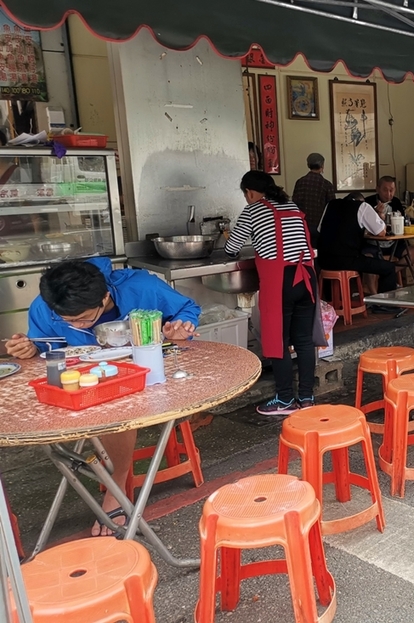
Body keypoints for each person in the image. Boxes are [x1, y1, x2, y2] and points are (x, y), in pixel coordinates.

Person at [4, 258, 201, 536]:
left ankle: (117, 485)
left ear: (105, 297)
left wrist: (181, 327)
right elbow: (45, 349)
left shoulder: (142, 288)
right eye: (68, 321)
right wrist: (29, 350)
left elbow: (187, 309)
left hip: (145, 371)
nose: (77, 325)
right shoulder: (47, 306)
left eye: (84, 318)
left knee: (116, 408)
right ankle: (101, 468)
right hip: (85, 380)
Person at [226, 171, 320, 417]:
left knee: (277, 342)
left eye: (246, 194)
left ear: (250, 192)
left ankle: (286, 399)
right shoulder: (291, 206)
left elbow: (231, 249)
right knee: (303, 340)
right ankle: (307, 398)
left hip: (281, 281)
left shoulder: (253, 210)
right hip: (307, 277)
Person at [317, 192, 398, 296]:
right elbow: (381, 232)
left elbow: (320, 229)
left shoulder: (331, 204)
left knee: (365, 256)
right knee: (389, 268)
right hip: (347, 259)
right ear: (361, 201)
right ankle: (386, 306)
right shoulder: (362, 206)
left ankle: (331, 300)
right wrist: (378, 216)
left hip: (323, 260)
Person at [364, 176, 414, 285]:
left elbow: (403, 221)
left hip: (393, 244)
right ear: (377, 189)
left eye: (391, 190)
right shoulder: (367, 203)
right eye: (385, 190)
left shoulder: (396, 202)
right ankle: (373, 294)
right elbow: (363, 228)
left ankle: (390, 272)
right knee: (369, 260)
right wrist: (375, 215)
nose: (389, 194)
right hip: (373, 244)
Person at [291, 152, 336, 235]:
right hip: (320, 225)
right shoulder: (326, 184)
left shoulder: (300, 182)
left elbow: (294, 203)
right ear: (322, 165)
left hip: (301, 224)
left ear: (308, 165)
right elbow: (332, 207)